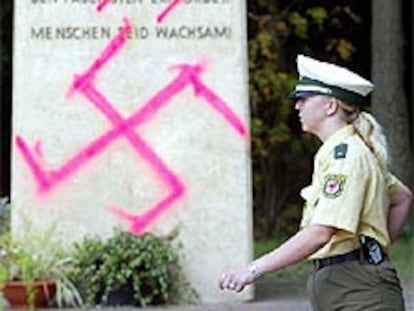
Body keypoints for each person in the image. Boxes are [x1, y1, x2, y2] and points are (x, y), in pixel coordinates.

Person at [218, 54, 413, 311]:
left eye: (304, 99)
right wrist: (375, 249)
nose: (297, 106)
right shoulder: (344, 152)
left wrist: (253, 270)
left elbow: (320, 233)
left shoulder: (348, 156)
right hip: (347, 286)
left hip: (357, 290)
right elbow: (402, 198)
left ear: (330, 106)